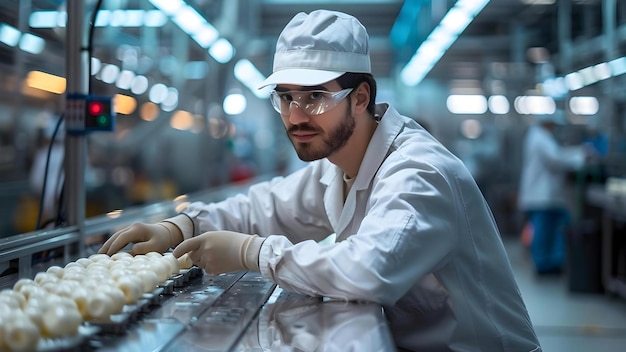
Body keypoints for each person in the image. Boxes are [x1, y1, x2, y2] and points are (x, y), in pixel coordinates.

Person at [100, 10, 541, 351]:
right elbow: (263, 207)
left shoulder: (418, 174)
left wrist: (252, 253)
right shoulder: (340, 166)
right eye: (286, 98)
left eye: (315, 97)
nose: (295, 116)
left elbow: (367, 271)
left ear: (361, 98)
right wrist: (182, 226)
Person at [517, 111, 588, 275]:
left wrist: (577, 153)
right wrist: (580, 155)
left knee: (556, 225)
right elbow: (555, 159)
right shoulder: (540, 137)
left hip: (546, 195)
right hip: (542, 195)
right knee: (544, 230)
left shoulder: (540, 137)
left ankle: (553, 261)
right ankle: (544, 263)